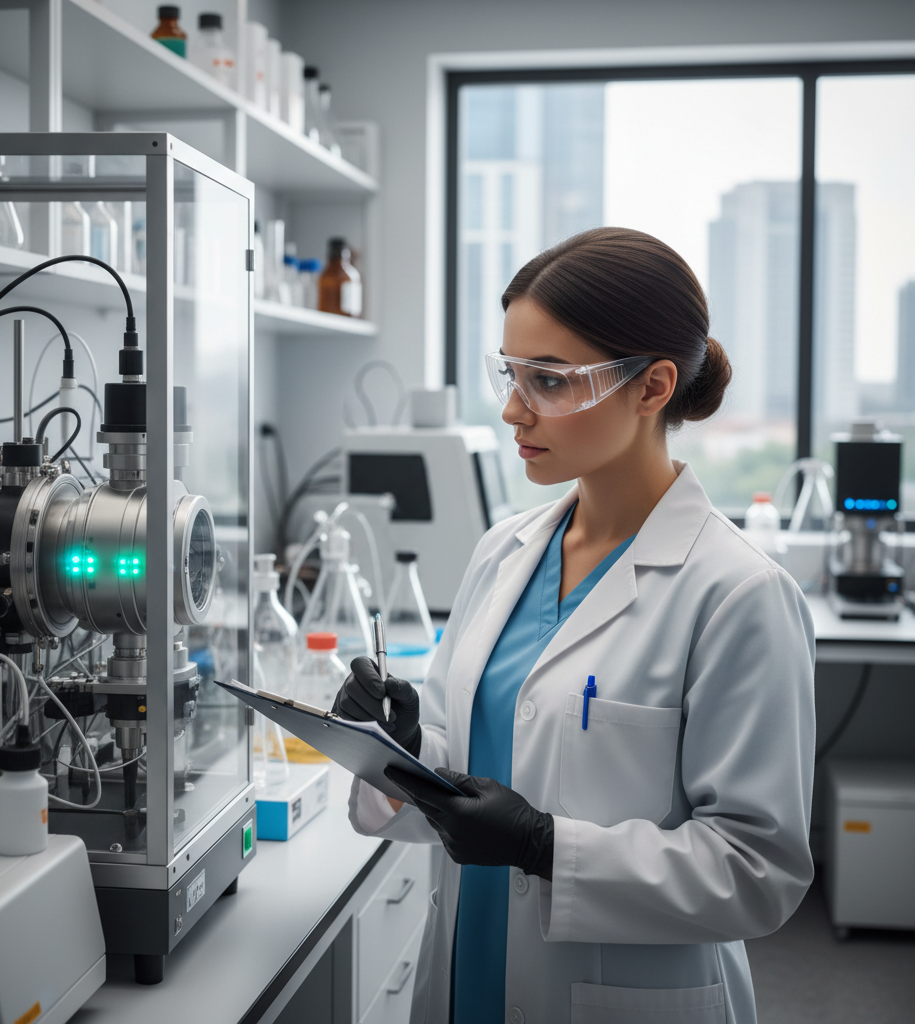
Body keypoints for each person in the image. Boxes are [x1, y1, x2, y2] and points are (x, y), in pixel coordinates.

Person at [332, 227, 815, 1024]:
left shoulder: (738, 594)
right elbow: (473, 768)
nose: (514, 409)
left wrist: (544, 845)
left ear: (653, 387)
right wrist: (402, 754)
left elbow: (757, 871)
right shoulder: (502, 553)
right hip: (466, 978)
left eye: (550, 381)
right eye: (512, 375)